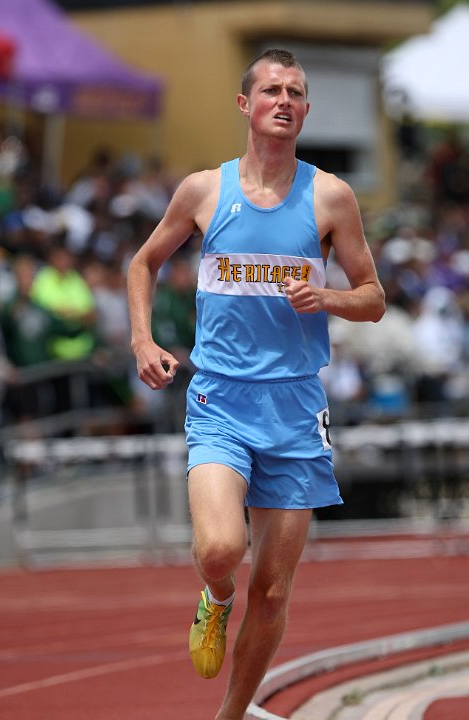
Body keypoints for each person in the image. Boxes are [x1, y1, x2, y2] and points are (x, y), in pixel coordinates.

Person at [127, 48, 385, 720]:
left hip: (295, 406)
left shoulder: (329, 195)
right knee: (221, 551)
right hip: (220, 398)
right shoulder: (203, 191)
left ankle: (231, 715)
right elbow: (143, 262)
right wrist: (142, 340)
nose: (284, 100)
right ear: (245, 105)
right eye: (271, 89)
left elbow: (372, 296)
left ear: (304, 110)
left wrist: (325, 300)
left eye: (296, 92)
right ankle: (214, 596)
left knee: (271, 589)